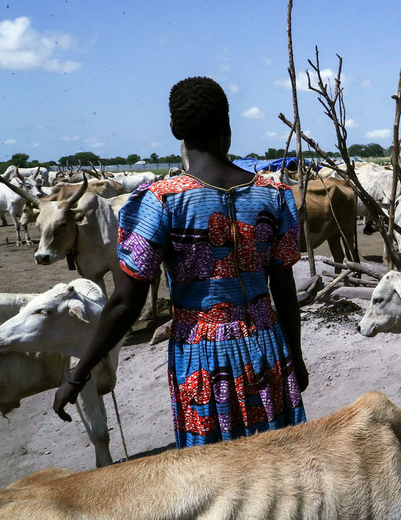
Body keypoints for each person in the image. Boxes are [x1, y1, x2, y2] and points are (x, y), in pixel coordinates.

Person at [53, 77, 309, 448]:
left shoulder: (159, 201)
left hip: (202, 360)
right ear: (228, 126)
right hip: (268, 350)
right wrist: (295, 357)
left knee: (213, 477)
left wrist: (78, 373)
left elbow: (126, 303)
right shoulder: (275, 195)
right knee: (277, 469)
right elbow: (283, 289)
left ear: (176, 130)